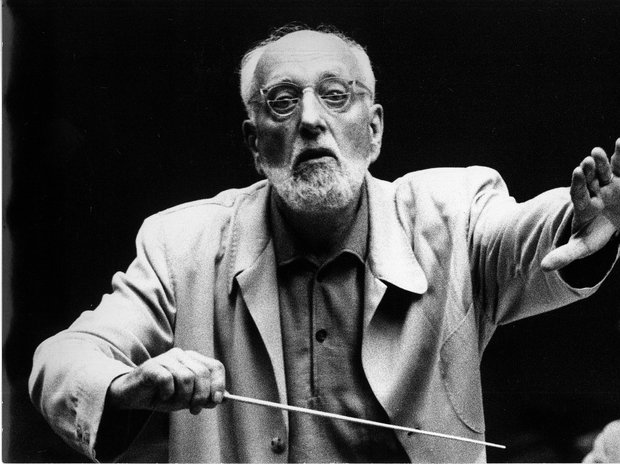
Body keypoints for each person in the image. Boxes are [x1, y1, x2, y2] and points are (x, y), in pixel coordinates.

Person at [29, 25, 620, 463]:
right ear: (255, 144)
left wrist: (588, 226)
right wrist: (123, 384)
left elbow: (523, 235)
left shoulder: (455, 212)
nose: (311, 120)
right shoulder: (182, 243)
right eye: (283, 101)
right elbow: (63, 357)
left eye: (336, 95)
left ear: (375, 128)